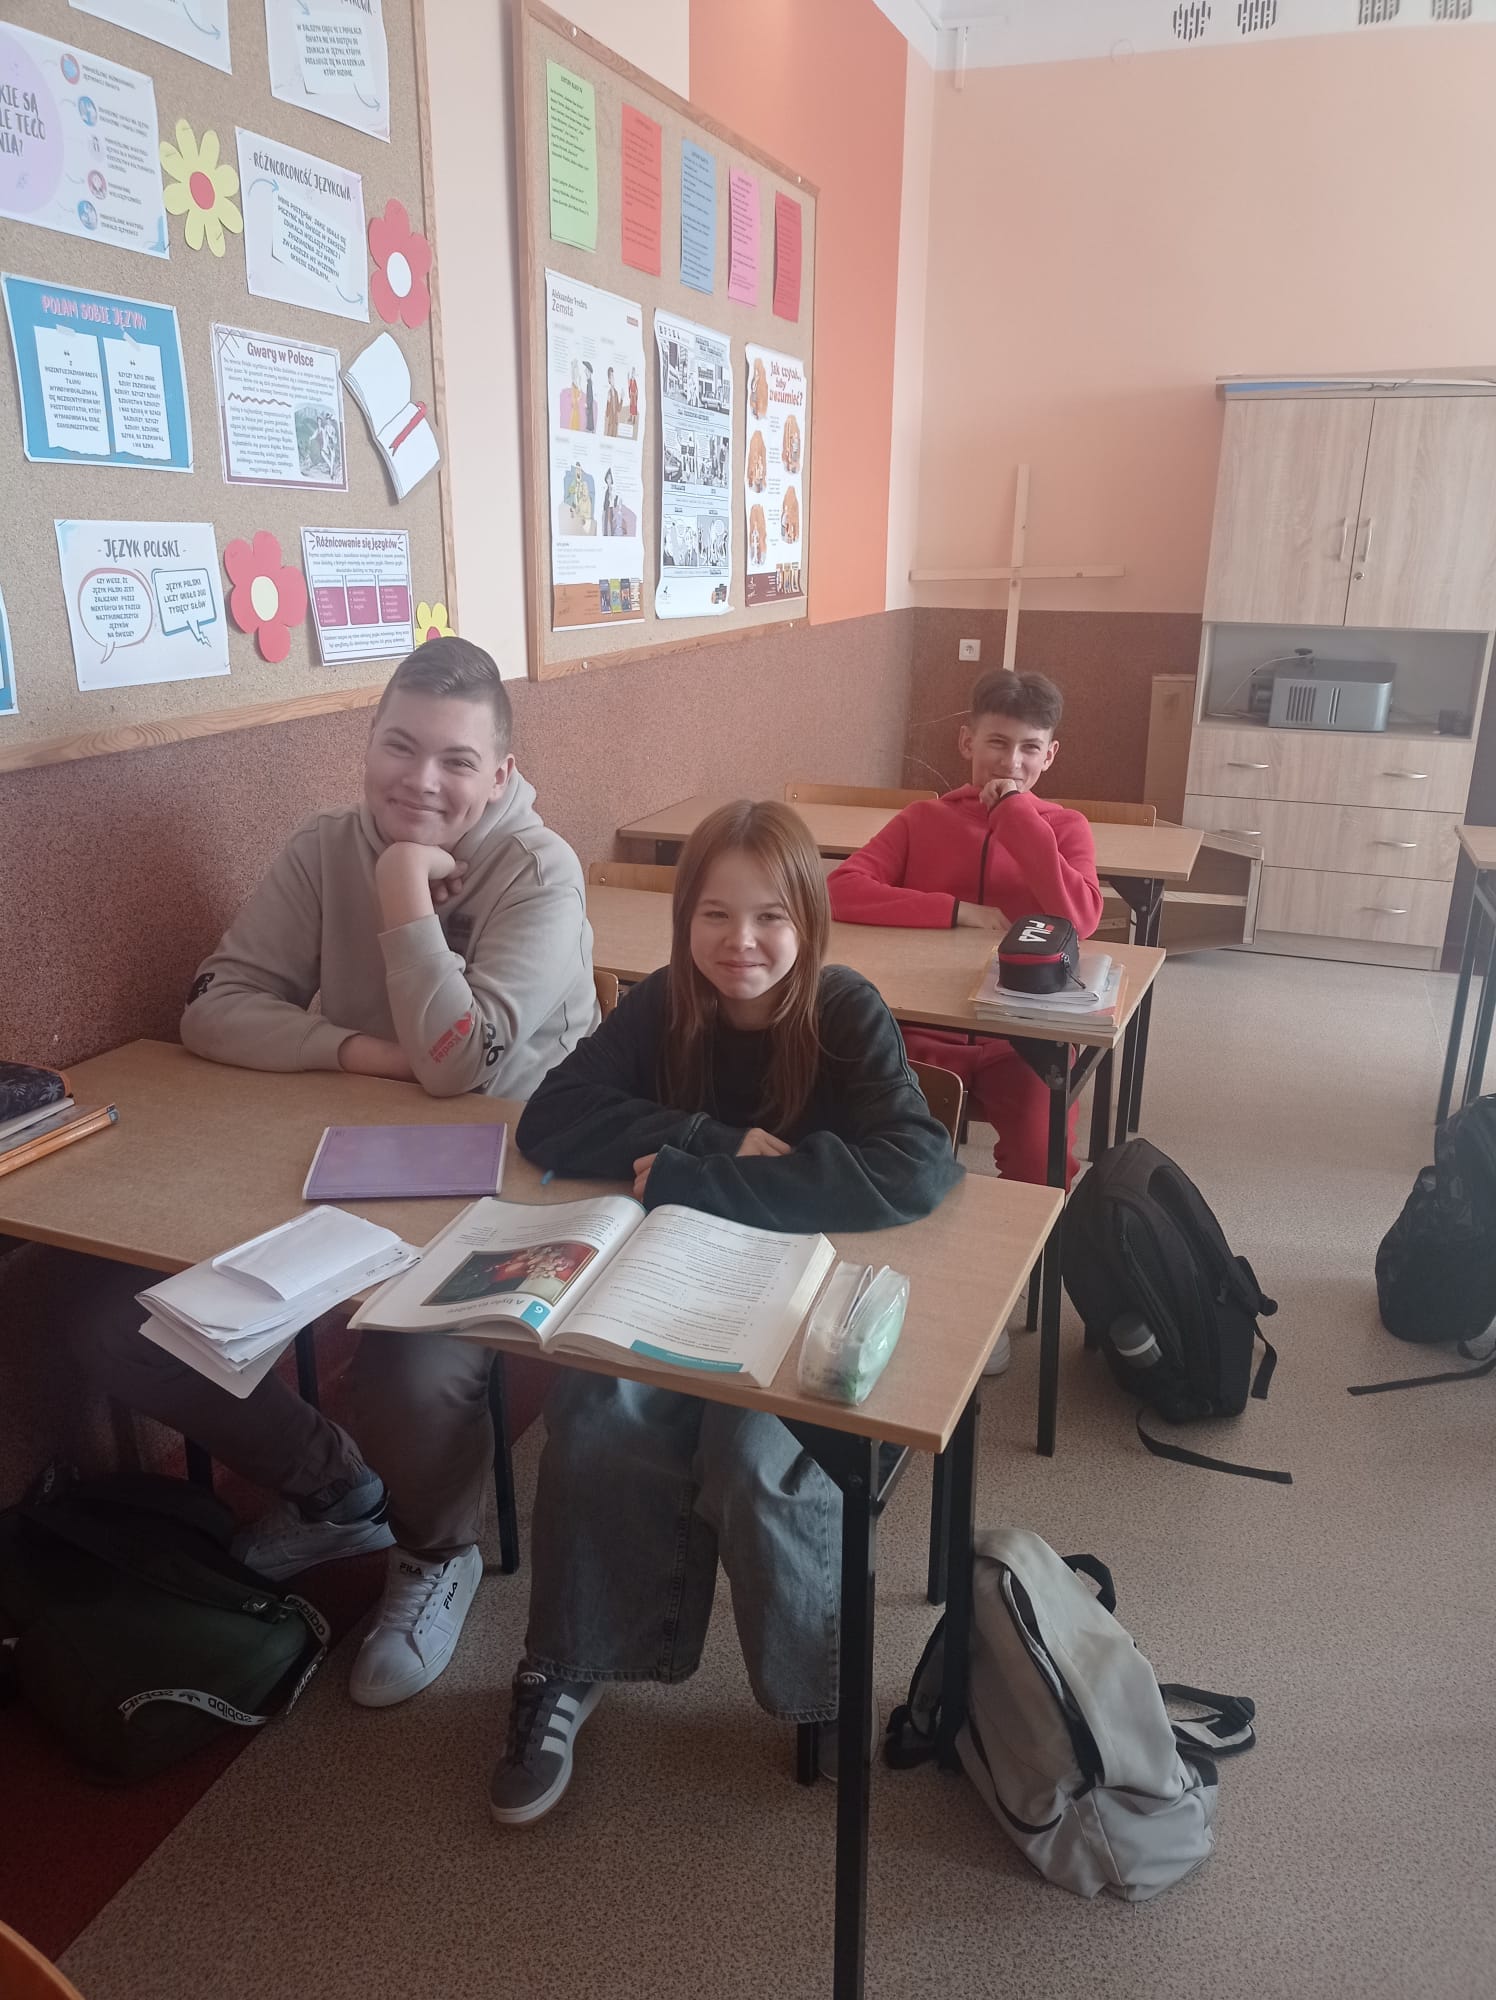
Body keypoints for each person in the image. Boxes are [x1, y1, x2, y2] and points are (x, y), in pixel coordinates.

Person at [44, 638, 598, 1710]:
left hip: (501, 1192)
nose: (420, 780)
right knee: (114, 1319)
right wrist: (363, 1051)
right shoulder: (321, 845)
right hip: (328, 1165)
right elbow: (214, 1007)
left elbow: (461, 1066)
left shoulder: (541, 871)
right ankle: (336, 1488)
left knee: (407, 1372)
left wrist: (401, 890)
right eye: (399, 745)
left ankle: (436, 1549)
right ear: (367, 741)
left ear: (500, 773)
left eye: (455, 760)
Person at [487, 800, 962, 1826]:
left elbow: (918, 1166)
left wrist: (697, 1178)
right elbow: (550, 1117)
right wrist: (712, 1135)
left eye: (769, 917)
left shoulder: (842, 1010)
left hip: (803, 1292)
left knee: (751, 1455)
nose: (740, 942)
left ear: (807, 921)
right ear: (684, 919)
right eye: (714, 914)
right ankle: (568, 1661)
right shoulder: (666, 1002)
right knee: (595, 1413)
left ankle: (819, 1689)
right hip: (676, 1279)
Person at [827, 670, 1103, 1375]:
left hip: (1024, 1042)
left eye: (1029, 748)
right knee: (889, 1146)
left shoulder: (1064, 828)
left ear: (1050, 756)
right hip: (922, 1035)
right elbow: (841, 889)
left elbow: (1079, 917)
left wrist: (1016, 816)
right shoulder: (923, 820)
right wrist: (954, 911)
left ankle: (996, 1294)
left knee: (1041, 1157)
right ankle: (899, 1280)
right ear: (966, 742)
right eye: (996, 743)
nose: (1011, 761)